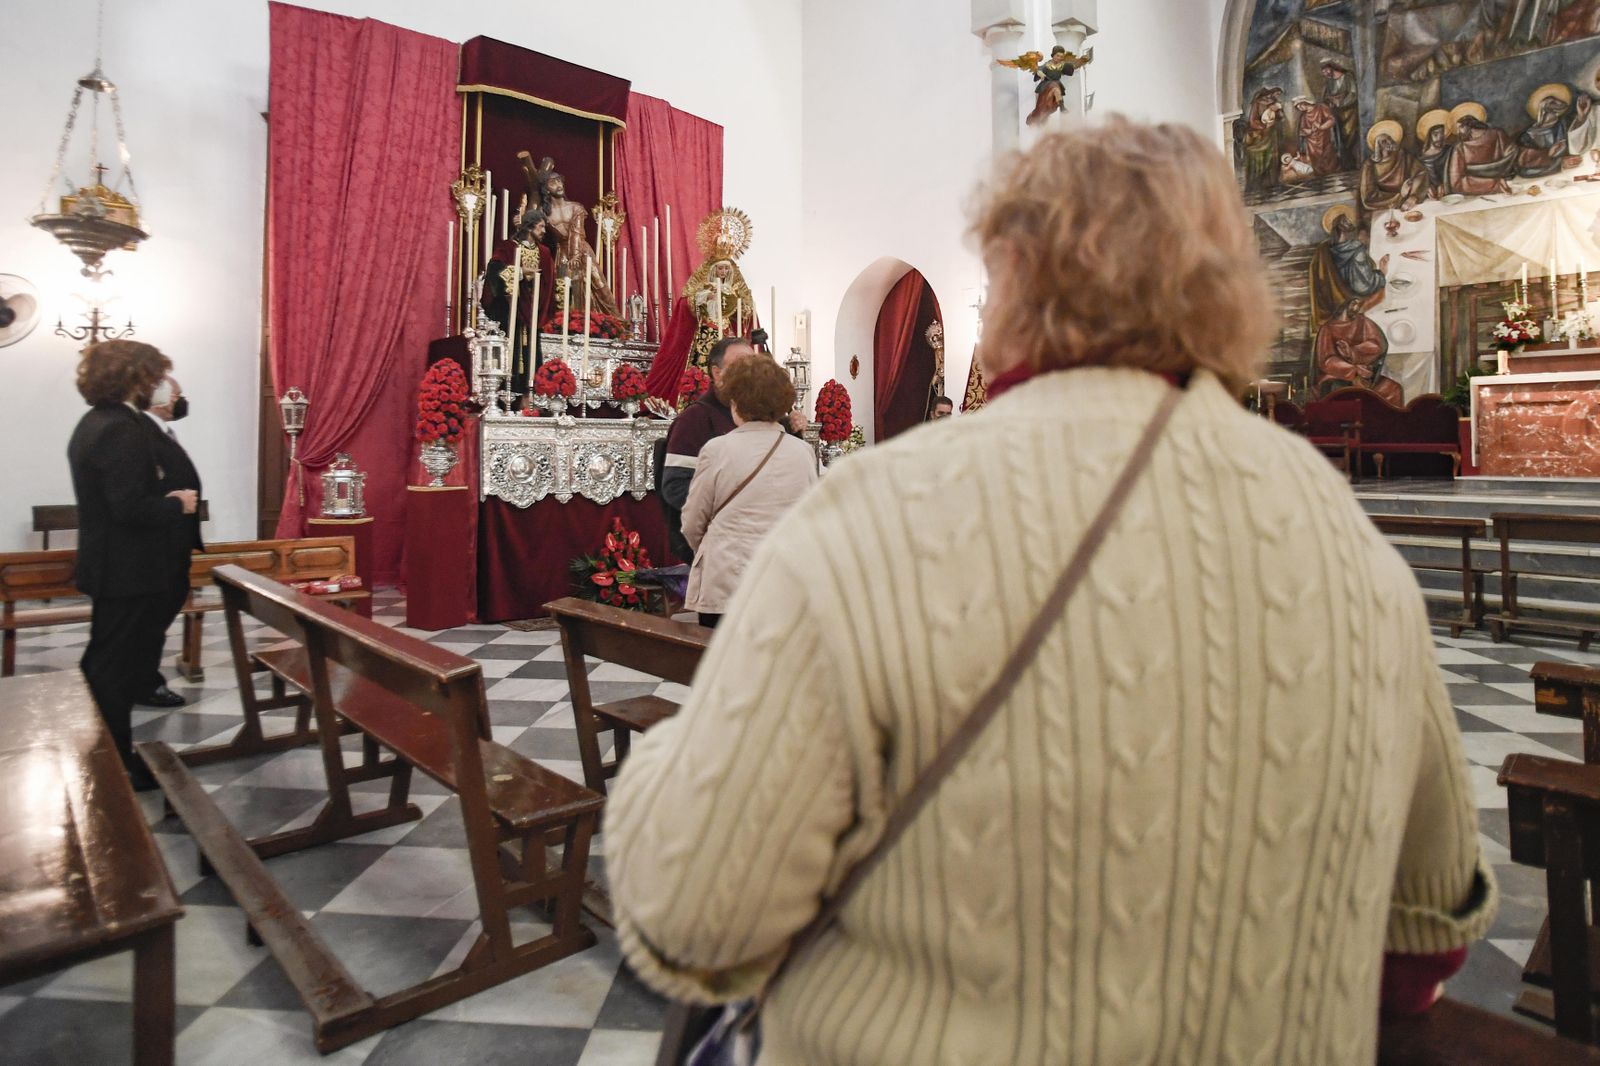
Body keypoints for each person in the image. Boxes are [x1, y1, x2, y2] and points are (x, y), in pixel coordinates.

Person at [607, 117, 1495, 1065]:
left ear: (1012, 289)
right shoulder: (1344, 536)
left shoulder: (878, 517)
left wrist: (675, 759)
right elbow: (1427, 937)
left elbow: (688, 919)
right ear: (1231, 297)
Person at [67, 340, 199, 791]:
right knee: (112, 667)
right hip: (129, 568)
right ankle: (113, 764)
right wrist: (176, 504)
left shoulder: (99, 421)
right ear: (136, 378)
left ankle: (108, 753)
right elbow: (128, 507)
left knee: (109, 662)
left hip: (121, 566)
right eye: (155, 374)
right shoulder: (120, 429)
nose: (160, 384)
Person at [679, 356, 817, 627]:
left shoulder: (717, 450)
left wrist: (714, 548)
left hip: (729, 582)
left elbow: (692, 522)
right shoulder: (803, 452)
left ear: (736, 401)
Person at [659, 337, 805, 561]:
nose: (750, 370)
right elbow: (675, 487)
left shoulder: (774, 423)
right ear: (717, 374)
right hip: (725, 550)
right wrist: (723, 528)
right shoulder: (695, 419)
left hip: (772, 552)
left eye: (753, 362)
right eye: (741, 363)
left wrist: (793, 431)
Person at [135, 374, 204, 708]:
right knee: (149, 619)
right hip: (159, 544)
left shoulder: (161, 432)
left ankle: (142, 678)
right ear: (161, 398)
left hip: (172, 542)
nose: (182, 400)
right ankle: (143, 682)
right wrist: (175, 502)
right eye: (178, 393)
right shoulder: (141, 433)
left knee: (156, 617)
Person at [1308, 203, 1389, 334]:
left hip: (1334, 301)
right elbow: (1363, 287)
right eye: (1347, 220)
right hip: (1351, 300)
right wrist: (1381, 274)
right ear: (1343, 226)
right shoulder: (1356, 250)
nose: (1350, 221)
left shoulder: (1323, 248)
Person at [1316, 298, 1404, 404]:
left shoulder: (1363, 321)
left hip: (1365, 374)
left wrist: (1353, 352)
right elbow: (1327, 361)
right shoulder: (1327, 328)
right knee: (1349, 395)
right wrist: (1354, 370)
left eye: (1359, 304)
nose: (1357, 308)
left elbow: (1377, 345)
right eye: (1353, 304)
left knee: (1393, 389)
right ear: (1342, 303)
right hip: (1338, 377)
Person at [1360, 120, 1431, 213]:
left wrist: (1413, 194)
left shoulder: (1402, 155)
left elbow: (1421, 172)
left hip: (1409, 202)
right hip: (1385, 207)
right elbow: (1369, 197)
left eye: (1389, 138)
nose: (1389, 142)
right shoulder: (1369, 165)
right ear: (1378, 146)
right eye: (1384, 141)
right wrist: (1399, 196)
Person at [1447, 103, 1518, 195]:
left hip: (1490, 186)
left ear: (1467, 126)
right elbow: (1512, 152)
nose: (1457, 132)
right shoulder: (1498, 133)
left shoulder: (1460, 148)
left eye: (1459, 128)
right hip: (1505, 184)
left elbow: (1456, 183)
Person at [1321, 59, 1360, 168]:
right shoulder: (1329, 81)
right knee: (1340, 138)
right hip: (1337, 113)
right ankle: (1345, 164)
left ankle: (1354, 163)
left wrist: (1341, 102)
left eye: (1325, 71)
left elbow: (1353, 94)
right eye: (1323, 72)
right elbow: (1325, 97)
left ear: (1331, 68)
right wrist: (1331, 101)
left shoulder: (1347, 77)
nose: (1325, 74)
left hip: (1349, 112)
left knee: (1351, 136)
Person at [1293, 96, 1340, 175]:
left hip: (1325, 138)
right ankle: (1319, 176)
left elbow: (1331, 120)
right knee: (1315, 160)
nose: (1300, 108)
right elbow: (1302, 130)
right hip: (1312, 143)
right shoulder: (1303, 116)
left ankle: (1332, 174)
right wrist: (1310, 131)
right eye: (1298, 107)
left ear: (1304, 103)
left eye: (1300, 106)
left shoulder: (1321, 108)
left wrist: (1321, 127)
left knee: (1328, 157)